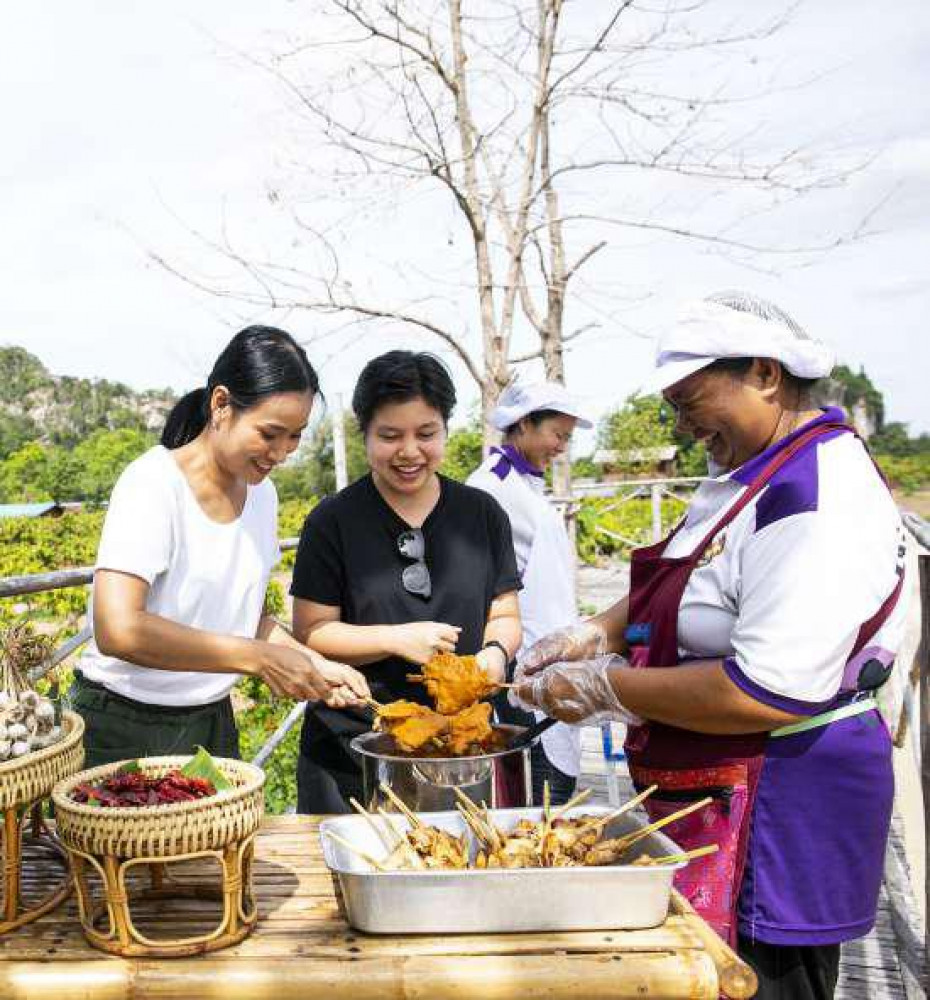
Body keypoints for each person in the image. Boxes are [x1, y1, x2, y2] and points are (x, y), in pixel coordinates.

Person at [515, 292, 908, 1000]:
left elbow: (764, 688)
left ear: (764, 374)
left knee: (761, 984)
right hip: (717, 788)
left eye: (691, 399)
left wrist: (608, 690)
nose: (682, 424)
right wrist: (593, 633)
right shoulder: (753, 474)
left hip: (780, 808)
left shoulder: (814, 496)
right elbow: (688, 580)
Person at [72, 326, 370, 768]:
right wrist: (259, 659)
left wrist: (312, 662)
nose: (282, 451)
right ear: (221, 404)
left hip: (212, 721)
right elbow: (118, 629)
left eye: (295, 435)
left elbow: (243, 617)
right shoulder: (153, 484)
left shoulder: (262, 496)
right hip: (123, 725)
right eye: (270, 433)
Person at [290, 350, 522, 813]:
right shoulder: (332, 520)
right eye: (390, 436)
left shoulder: (482, 514)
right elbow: (312, 630)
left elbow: (505, 612)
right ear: (365, 434)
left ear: (446, 429)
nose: (410, 451)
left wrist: (494, 657)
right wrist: (396, 639)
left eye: (426, 434)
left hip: (461, 750)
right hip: (353, 745)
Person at [467, 380, 592, 806]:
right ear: (522, 425)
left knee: (557, 785)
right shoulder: (493, 489)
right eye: (558, 434)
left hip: (554, 656)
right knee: (541, 796)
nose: (561, 446)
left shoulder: (524, 485)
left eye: (568, 438)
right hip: (525, 667)